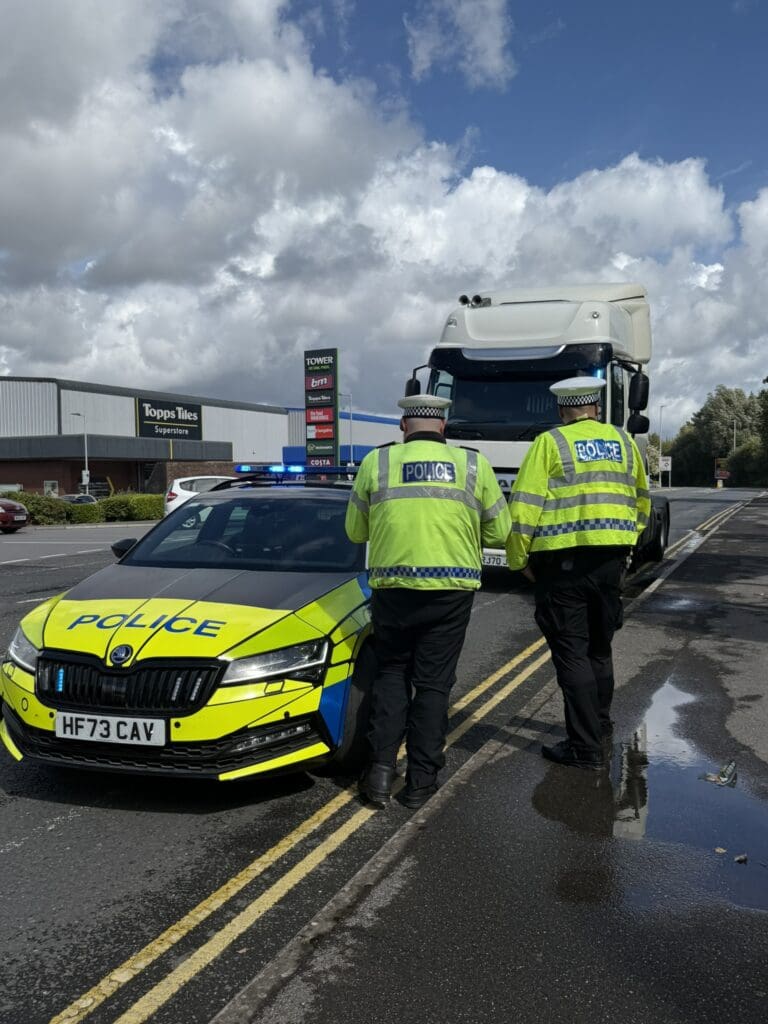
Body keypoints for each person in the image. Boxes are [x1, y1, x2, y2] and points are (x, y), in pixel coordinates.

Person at [345, 394, 510, 809]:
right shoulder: (474, 465)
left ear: (403, 426)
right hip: (451, 591)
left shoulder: (376, 463)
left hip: (392, 588)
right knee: (433, 685)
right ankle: (421, 782)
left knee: (391, 676)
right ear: (444, 426)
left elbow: (354, 532)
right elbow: (498, 533)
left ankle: (380, 773)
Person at [506, 376, 650, 770]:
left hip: (563, 567)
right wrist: (628, 544)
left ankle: (584, 748)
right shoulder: (623, 442)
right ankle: (600, 728)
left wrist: (519, 560)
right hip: (610, 564)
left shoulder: (550, 443)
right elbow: (642, 500)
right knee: (600, 651)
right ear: (596, 409)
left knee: (572, 655)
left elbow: (523, 509)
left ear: (561, 410)